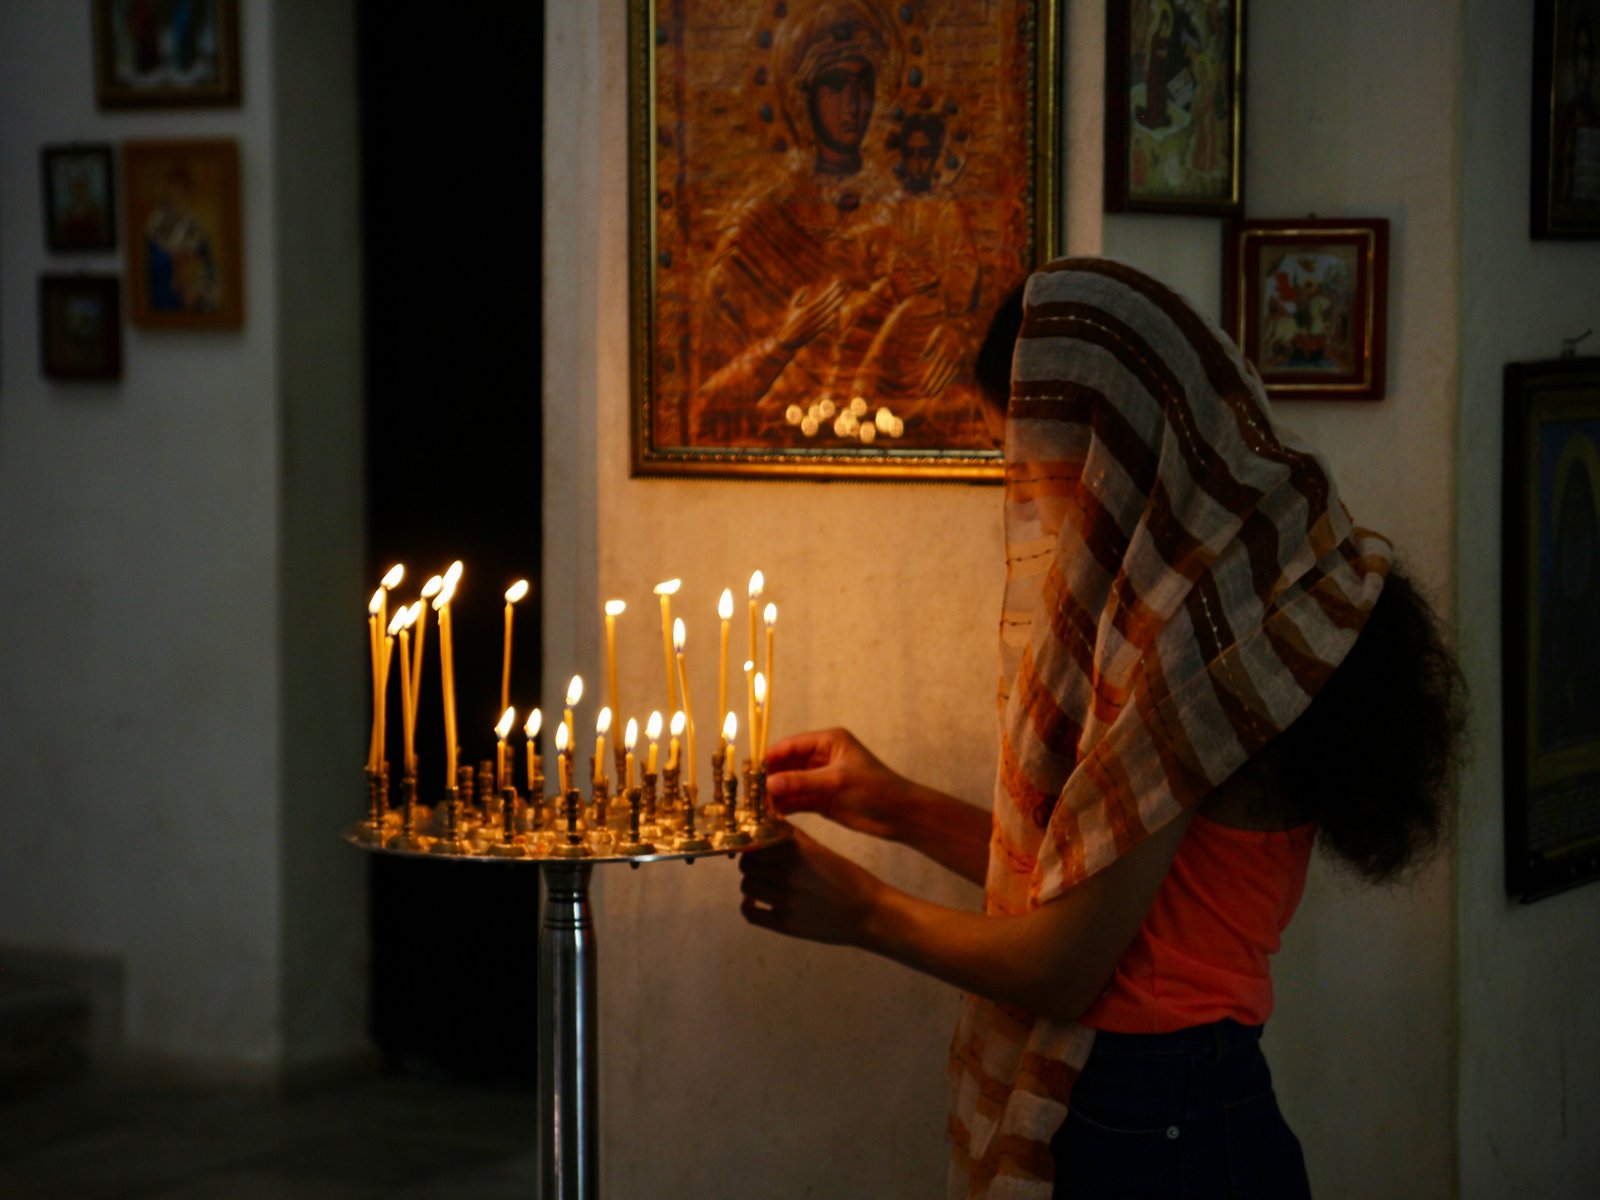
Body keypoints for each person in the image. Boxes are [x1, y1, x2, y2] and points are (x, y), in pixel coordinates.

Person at [738, 258, 1465, 1198]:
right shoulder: (1245, 586)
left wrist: (865, 910)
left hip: (1165, 1130)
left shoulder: (1195, 650)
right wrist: (893, 806)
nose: (1034, 508)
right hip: (1180, 1109)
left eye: (1037, 469)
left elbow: (1063, 964)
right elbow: (1094, 892)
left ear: (1115, 447)